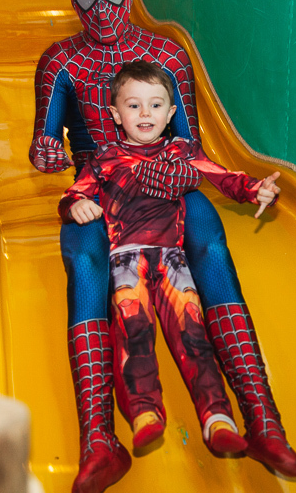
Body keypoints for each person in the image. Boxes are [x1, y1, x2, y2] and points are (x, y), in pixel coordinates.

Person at [31, 0, 296, 493]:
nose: (101, 8)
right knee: (86, 264)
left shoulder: (166, 54)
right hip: (101, 184)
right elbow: (43, 143)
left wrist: (231, 183)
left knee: (210, 248)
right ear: (74, 0)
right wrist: (49, 153)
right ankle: (98, 441)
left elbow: (191, 145)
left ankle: (262, 419)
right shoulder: (60, 62)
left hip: (168, 177)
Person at [60, 61, 280, 461]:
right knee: (133, 331)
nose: (145, 113)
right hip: (125, 261)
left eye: (156, 105)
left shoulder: (182, 152)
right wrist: (76, 205)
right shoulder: (106, 158)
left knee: (192, 331)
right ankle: (145, 412)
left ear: (171, 112)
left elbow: (224, 177)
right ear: (115, 114)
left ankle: (218, 419)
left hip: (173, 259)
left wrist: (255, 190)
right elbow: (75, 193)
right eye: (134, 105)